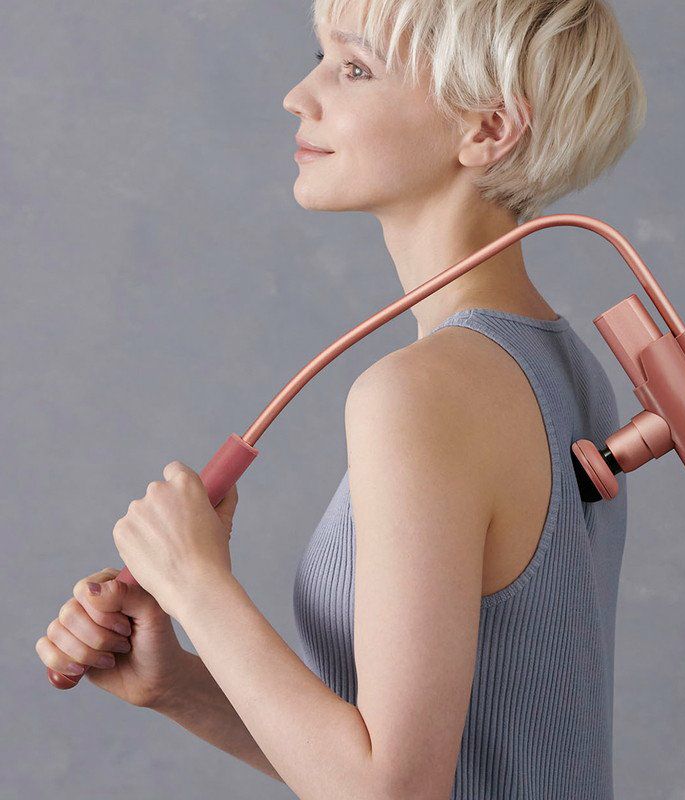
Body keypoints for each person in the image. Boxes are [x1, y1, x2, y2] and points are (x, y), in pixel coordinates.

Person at [36, 1, 645, 796]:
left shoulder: (424, 393)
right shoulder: (566, 369)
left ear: (489, 129)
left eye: (355, 69)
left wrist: (195, 582)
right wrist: (179, 687)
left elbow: (391, 790)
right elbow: (467, 763)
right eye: (319, 58)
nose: (299, 96)